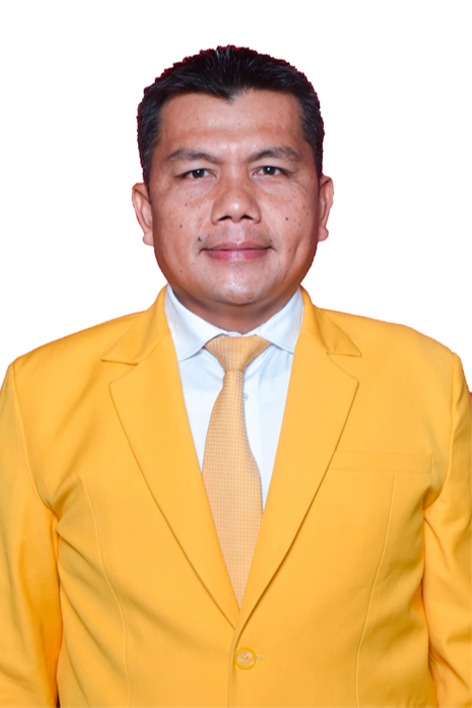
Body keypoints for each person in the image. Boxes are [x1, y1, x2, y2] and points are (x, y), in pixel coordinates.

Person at [0, 46, 470, 708]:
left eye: (271, 169)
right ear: (145, 210)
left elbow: (464, 654)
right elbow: (14, 665)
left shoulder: (426, 381)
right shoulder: (41, 394)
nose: (236, 205)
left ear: (322, 204)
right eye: (196, 172)